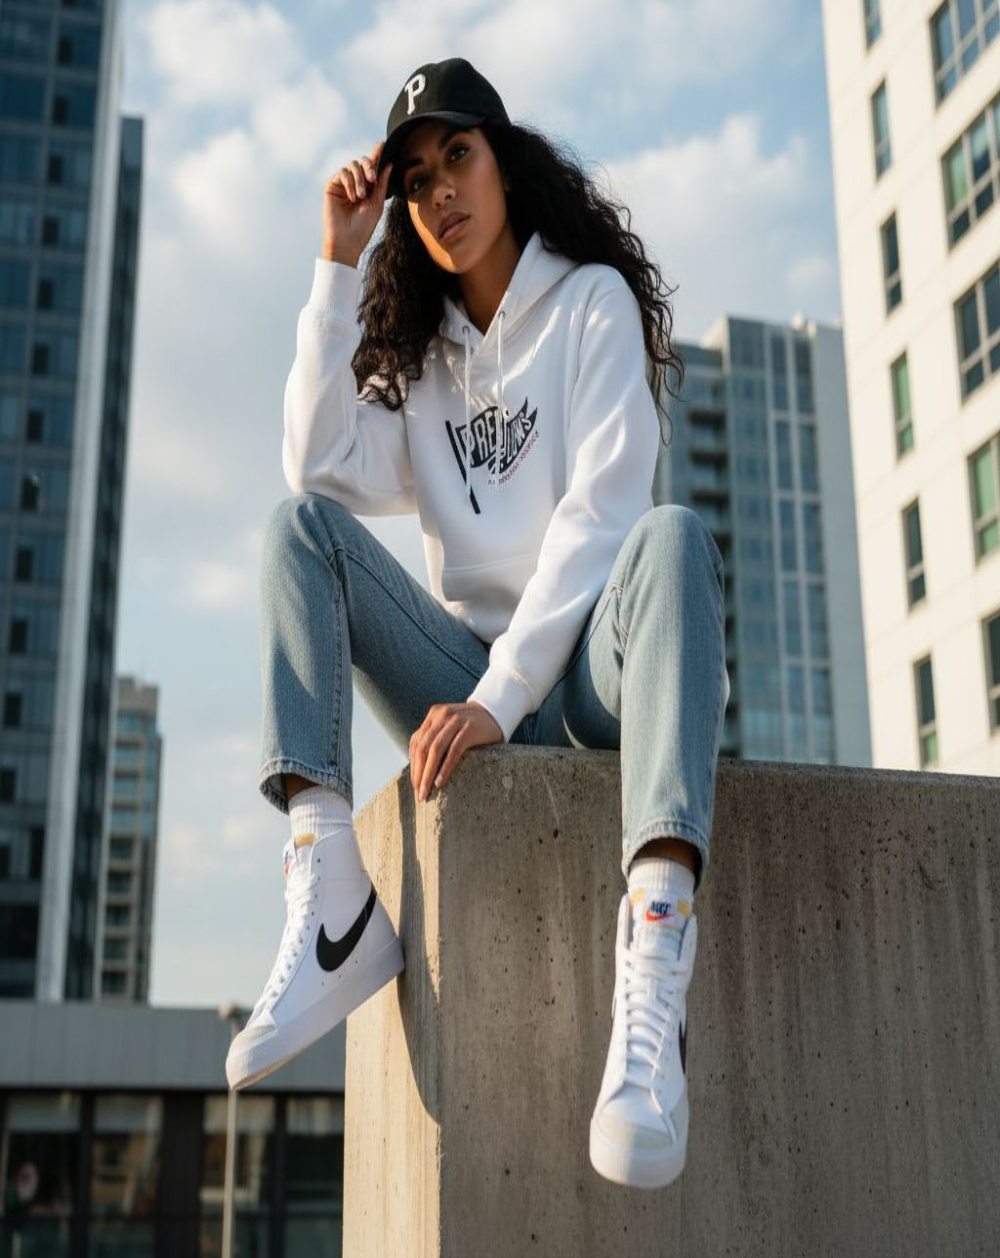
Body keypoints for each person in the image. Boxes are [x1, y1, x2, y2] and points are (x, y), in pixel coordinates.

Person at [225, 58, 729, 1190]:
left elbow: (602, 517)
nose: (439, 189)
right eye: (413, 178)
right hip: (464, 677)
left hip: (585, 676)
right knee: (297, 529)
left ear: (506, 161)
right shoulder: (422, 358)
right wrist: (334, 264)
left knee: (671, 538)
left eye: (457, 155)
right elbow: (316, 463)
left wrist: (503, 700)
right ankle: (330, 897)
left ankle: (654, 954)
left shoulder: (591, 304)